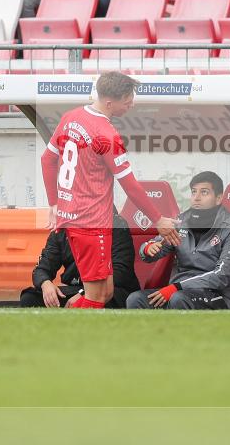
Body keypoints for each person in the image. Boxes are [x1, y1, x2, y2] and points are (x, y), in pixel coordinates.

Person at [40, 71, 179, 309]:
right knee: (95, 297)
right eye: (128, 99)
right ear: (109, 102)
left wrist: (54, 203)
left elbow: (47, 160)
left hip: (76, 219)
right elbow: (130, 186)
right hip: (91, 222)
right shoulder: (107, 135)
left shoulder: (70, 118)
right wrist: (158, 219)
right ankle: (71, 341)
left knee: (105, 292)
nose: (132, 104)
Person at [126, 171, 230, 310]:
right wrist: (148, 249)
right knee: (136, 299)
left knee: (179, 299)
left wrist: (177, 287)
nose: (197, 198)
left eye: (204, 192)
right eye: (194, 192)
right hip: (178, 291)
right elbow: (152, 249)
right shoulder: (181, 222)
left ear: (218, 198)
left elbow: (222, 276)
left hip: (218, 296)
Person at [20, 210, 140, 309]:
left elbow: (121, 272)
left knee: (105, 299)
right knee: (29, 297)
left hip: (109, 290)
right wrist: (45, 284)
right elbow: (41, 269)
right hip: (77, 290)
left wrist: (85, 294)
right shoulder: (62, 227)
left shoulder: (115, 223)